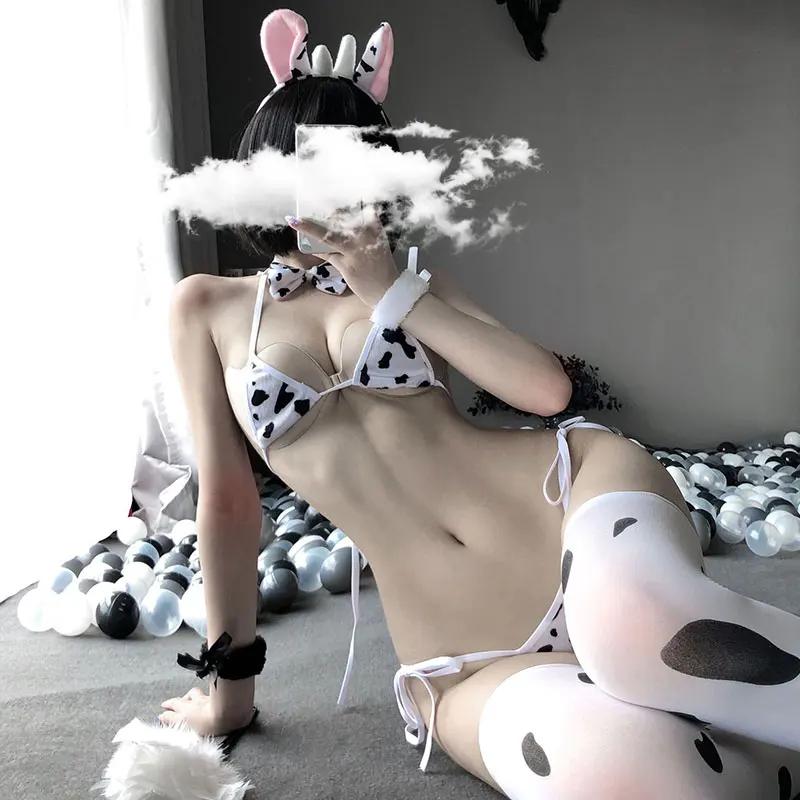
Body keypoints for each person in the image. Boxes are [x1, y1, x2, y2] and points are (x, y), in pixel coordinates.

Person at [161, 10, 800, 798]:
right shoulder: (206, 308)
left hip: (570, 507)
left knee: (640, 626)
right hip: (462, 656)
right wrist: (228, 696)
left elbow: (546, 390)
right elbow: (228, 507)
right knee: (638, 768)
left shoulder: (415, 283)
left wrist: (393, 293)